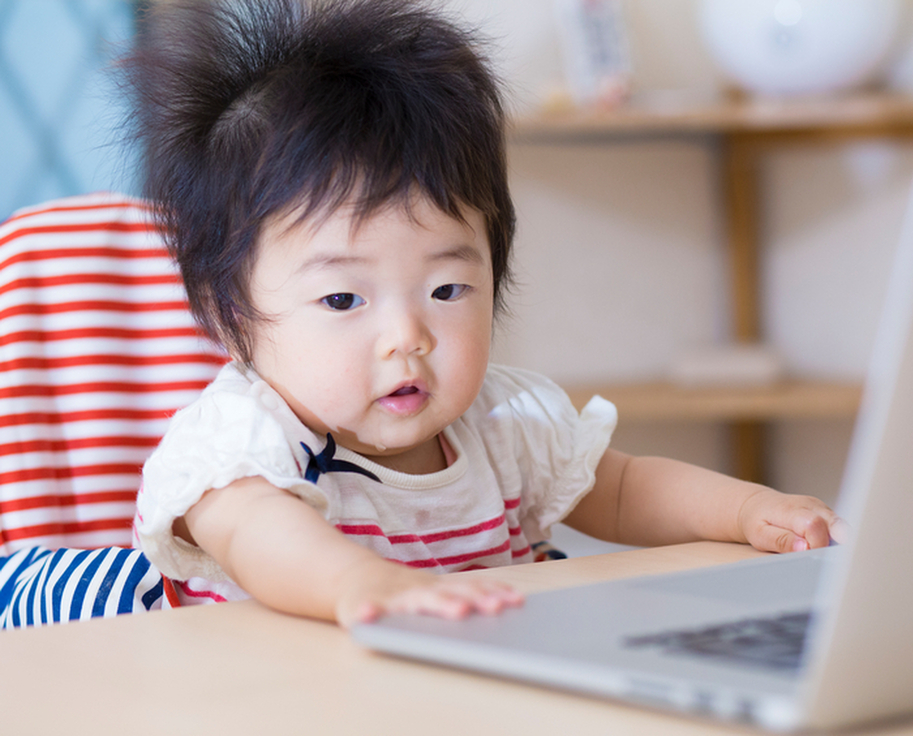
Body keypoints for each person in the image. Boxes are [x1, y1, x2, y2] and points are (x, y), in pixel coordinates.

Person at [126, 0, 847, 629]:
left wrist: (753, 511)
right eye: (344, 300)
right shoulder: (246, 442)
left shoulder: (506, 426)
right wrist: (363, 586)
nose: (407, 337)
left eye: (446, 290)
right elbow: (257, 532)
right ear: (231, 318)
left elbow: (624, 489)